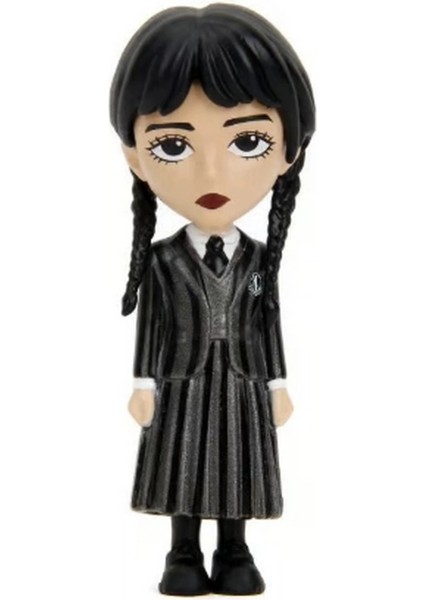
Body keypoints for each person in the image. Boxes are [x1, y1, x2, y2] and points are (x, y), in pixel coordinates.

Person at [109, 3, 315, 595]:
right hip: (182, 378)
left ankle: (234, 549)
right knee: (181, 460)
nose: (211, 174)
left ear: (288, 149)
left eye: (248, 140)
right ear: (134, 154)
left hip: (243, 379)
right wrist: (143, 383)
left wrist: (277, 383)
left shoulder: (260, 261)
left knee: (238, 463)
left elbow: (269, 322)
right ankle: (182, 552)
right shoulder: (162, 260)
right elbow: (151, 325)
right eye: (173, 145)